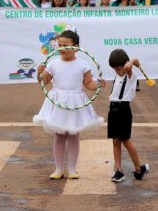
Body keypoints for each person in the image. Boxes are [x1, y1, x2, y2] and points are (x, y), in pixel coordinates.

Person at [33, 30, 104, 179]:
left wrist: (97, 84)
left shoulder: (83, 64)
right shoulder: (53, 64)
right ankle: (58, 169)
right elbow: (44, 81)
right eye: (59, 45)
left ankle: (72, 169)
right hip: (58, 100)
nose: (61, 48)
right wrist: (39, 73)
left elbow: (88, 83)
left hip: (75, 100)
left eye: (65, 45)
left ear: (76, 47)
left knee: (73, 135)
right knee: (59, 135)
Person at [107, 49, 149, 182]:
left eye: (118, 68)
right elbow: (123, 67)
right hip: (113, 109)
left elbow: (127, 67)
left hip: (123, 110)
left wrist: (133, 61)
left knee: (125, 140)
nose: (117, 71)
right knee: (115, 141)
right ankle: (119, 171)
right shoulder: (117, 76)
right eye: (114, 69)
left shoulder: (131, 75)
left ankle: (138, 168)